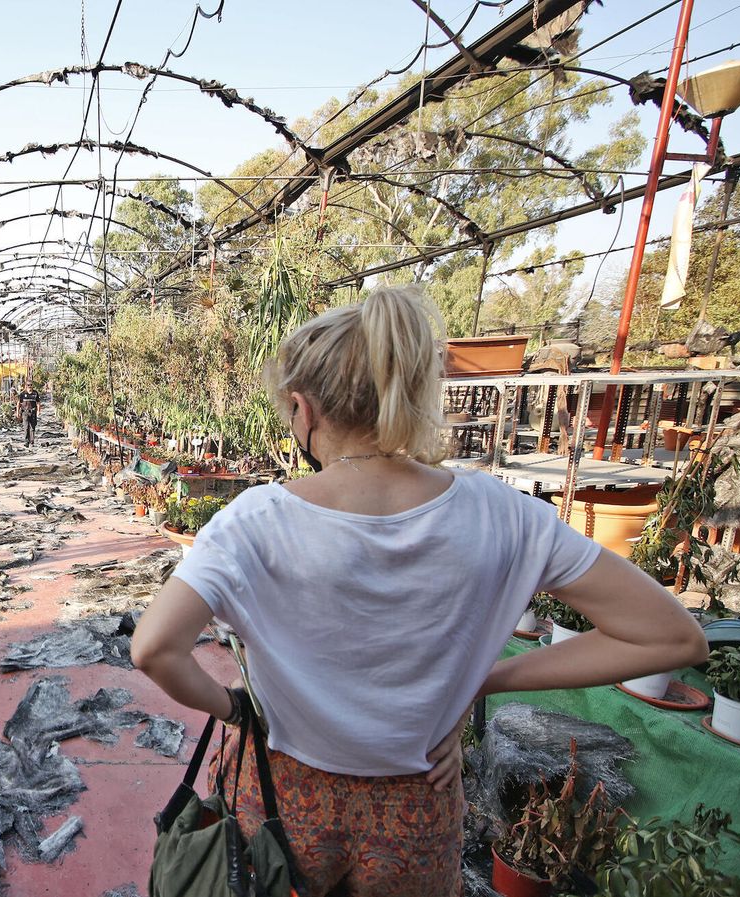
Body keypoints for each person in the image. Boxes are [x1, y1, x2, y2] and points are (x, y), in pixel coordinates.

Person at [130, 285, 707, 897]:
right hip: (418, 807)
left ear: (304, 409)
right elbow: (671, 638)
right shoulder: (501, 513)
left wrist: (232, 709)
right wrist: (481, 680)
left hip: (281, 799)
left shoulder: (255, 520)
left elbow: (154, 649)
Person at [16, 379, 42, 446]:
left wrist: (38, 411)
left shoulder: (35, 393)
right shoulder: (23, 394)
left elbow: (38, 403)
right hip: (25, 412)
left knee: (32, 427)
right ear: (26, 386)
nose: (29, 386)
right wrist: (17, 413)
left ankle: (32, 442)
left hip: (33, 412)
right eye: (28, 385)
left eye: (31, 385)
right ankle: (26, 441)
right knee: (26, 427)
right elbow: (19, 403)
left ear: (32, 386)